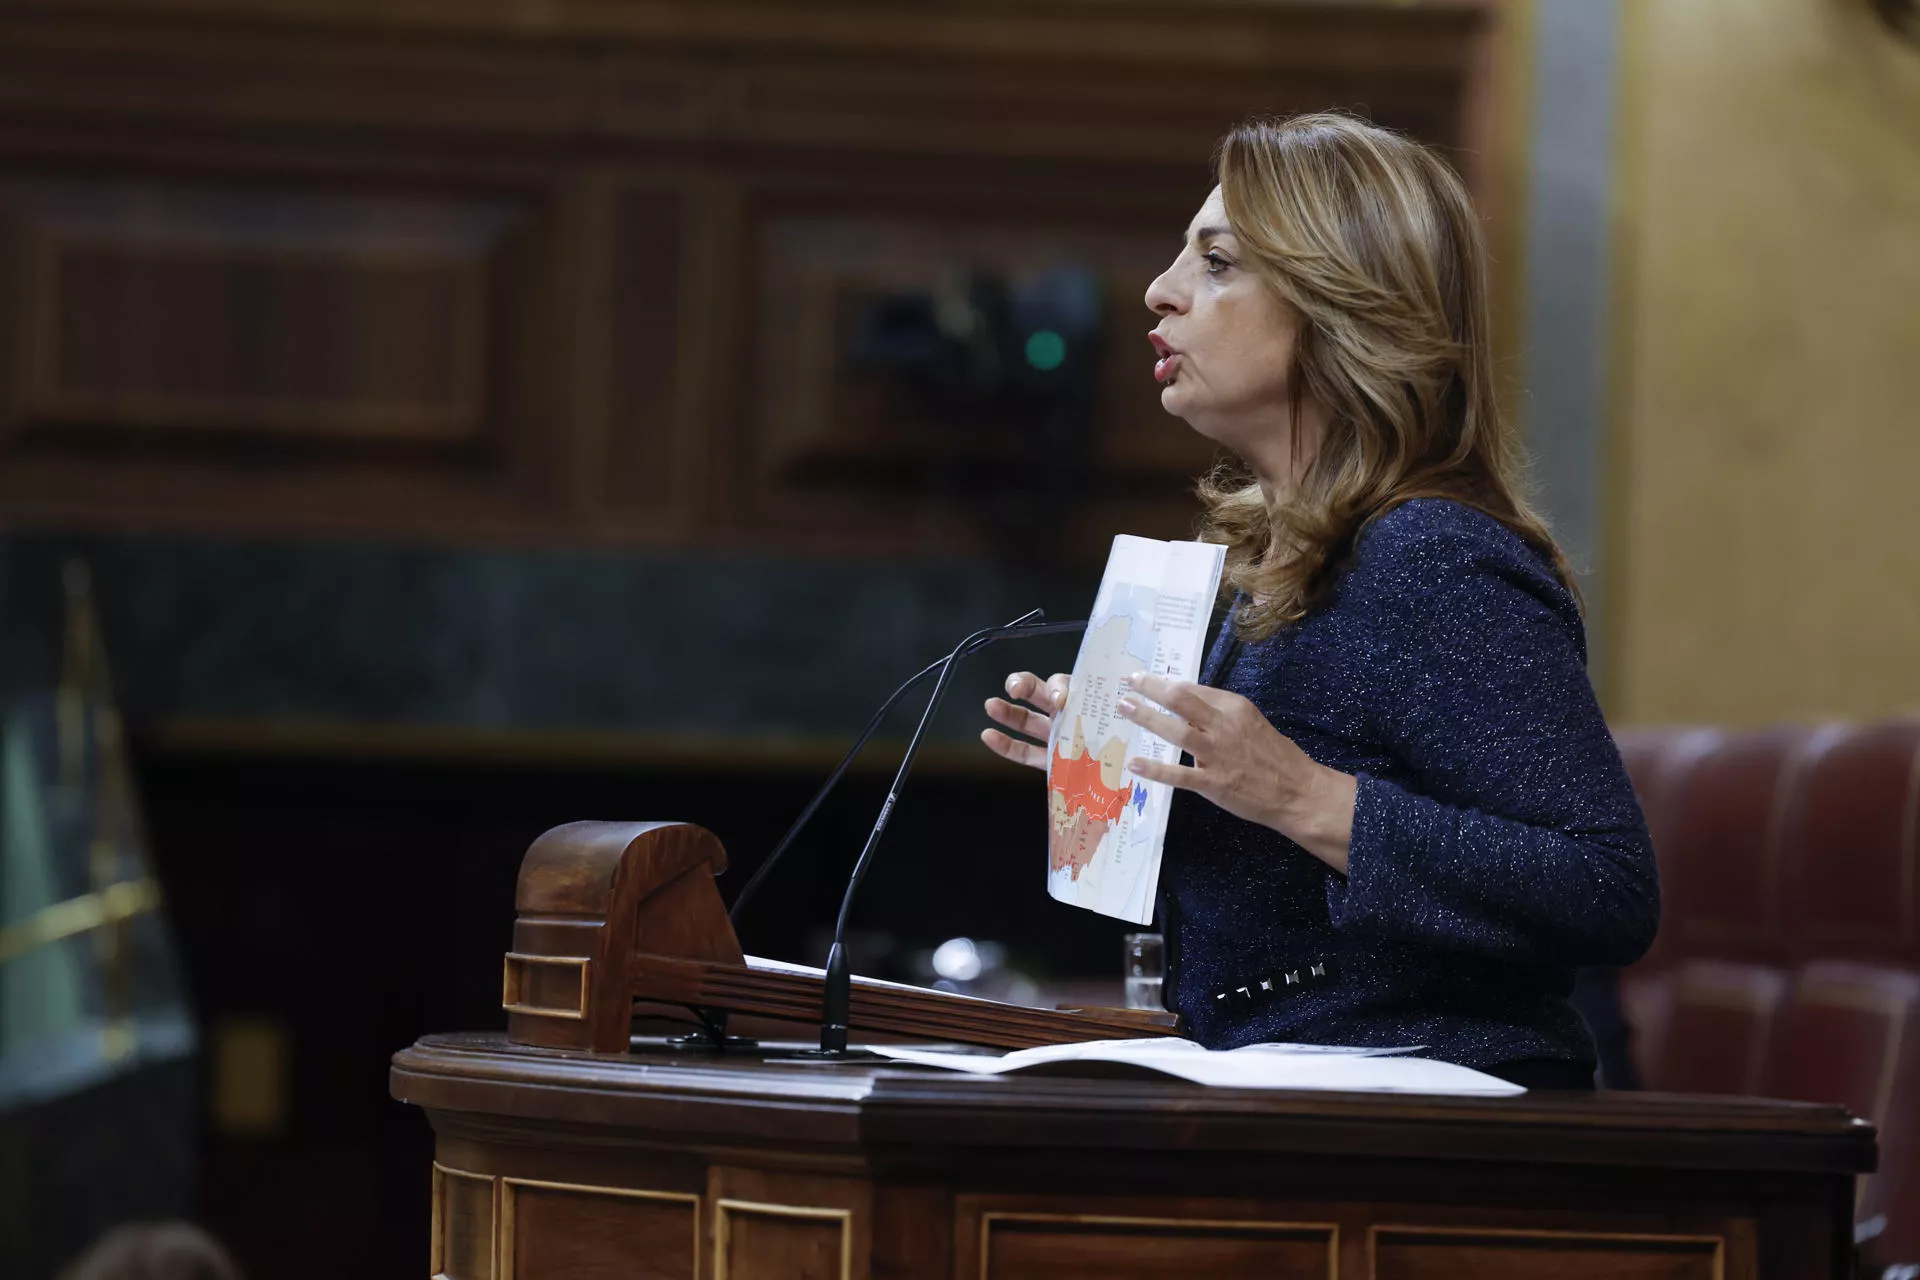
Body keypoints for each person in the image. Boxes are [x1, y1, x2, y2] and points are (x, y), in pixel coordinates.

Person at [981, 112, 1659, 1090]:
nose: (1159, 291)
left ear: (1340, 301)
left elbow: (1607, 887)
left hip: (1430, 1138)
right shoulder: (1275, 565)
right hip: (1281, 1103)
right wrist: (1127, 774)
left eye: (1215, 262)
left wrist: (1302, 792)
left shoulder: (1434, 555)